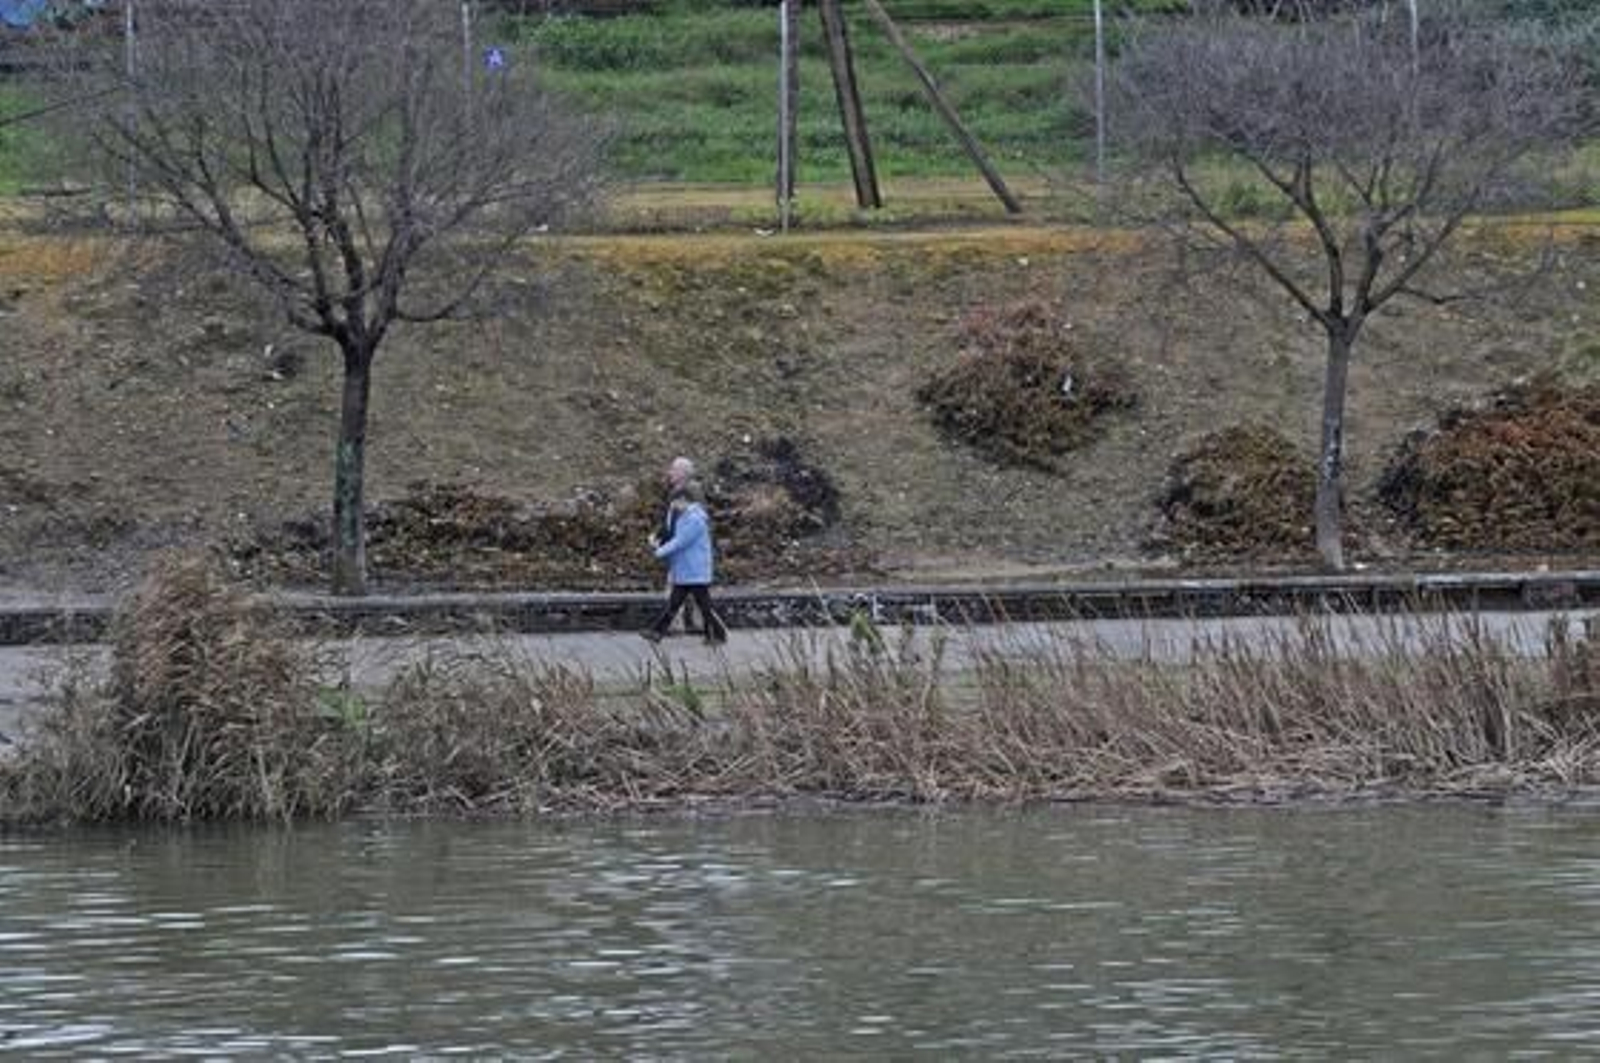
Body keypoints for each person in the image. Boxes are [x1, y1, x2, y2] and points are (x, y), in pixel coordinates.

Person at [642, 483, 728, 645]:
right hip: (687, 569)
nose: (673, 506)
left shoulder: (695, 519)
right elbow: (676, 538)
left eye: (675, 502)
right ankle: (656, 632)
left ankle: (718, 634)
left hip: (695, 570)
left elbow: (681, 541)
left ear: (683, 500)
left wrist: (659, 551)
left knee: (703, 606)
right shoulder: (686, 517)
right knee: (676, 603)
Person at [652, 456, 703, 634]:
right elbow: (670, 520)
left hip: (685, 549)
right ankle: (698, 623)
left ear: (682, 473)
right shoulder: (680, 491)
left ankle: (676, 624)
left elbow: (684, 524)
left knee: (677, 587)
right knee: (692, 587)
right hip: (687, 549)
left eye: (673, 469)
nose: (670, 472)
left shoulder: (688, 493)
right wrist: (660, 535)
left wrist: (666, 542)